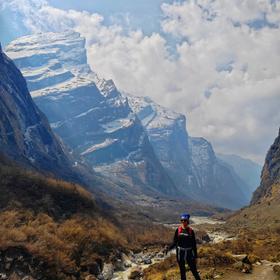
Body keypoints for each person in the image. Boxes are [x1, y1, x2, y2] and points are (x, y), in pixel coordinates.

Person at [167, 213, 201, 280]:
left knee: (193, 269)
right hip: (180, 252)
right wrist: (168, 248)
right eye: (181, 220)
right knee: (182, 271)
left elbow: (193, 244)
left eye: (184, 220)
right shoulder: (178, 230)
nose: (183, 222)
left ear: (187, 221)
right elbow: (175, 241)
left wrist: (196, 255)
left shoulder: (191, 231)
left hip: (189, 252)